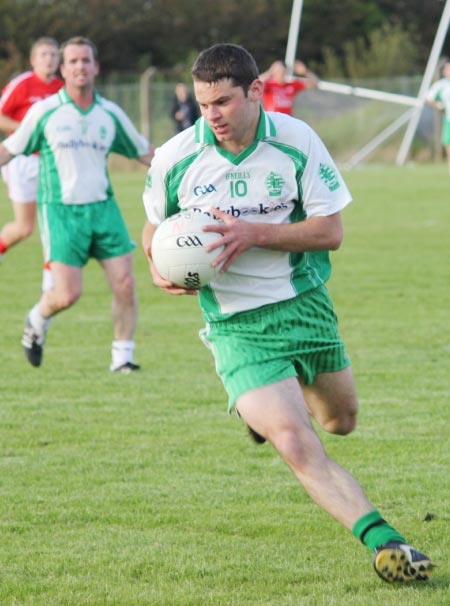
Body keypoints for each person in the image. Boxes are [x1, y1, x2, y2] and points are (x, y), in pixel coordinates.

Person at [142, 43, 434, 583]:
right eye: (205, 105)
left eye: (224, 102)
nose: (213, 117)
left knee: (339, 422)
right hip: (236, 324)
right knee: (297, 442)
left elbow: (331, 232)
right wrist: (160, 263)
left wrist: (255, 233)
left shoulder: (296, 141)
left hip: (303, 305)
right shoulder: (176, 157)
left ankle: (280, 402)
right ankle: (386, 543)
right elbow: (153, 225)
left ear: (255, 91)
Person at [0, 36, 153, 372]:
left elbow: (145, 153)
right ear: (63, 69)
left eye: (86, 61)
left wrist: (190, 171)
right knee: (67, 295)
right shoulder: (45, 112)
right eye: (73, 61)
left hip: (104, 208)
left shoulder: (108, 113)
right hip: (61, 212)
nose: (80, 67)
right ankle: (36, 318)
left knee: (125, 283)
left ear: (96, 67)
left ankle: (122, 358)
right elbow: (9, 149)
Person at [0, 37, 63, 290]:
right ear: (33, 60)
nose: (49, 59)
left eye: (53, 55)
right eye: (44, 54)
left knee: (55, 218)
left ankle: (51, 282)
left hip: (51, 162)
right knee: (24, 227)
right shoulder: (22, 84)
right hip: (21, 162)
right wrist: (28, 131)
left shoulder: (62, 87)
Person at [426, 60, 450, 171]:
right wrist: (438, 104)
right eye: (448, 69)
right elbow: (428, 98)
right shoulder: (441, 85)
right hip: (449, 118)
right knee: (448, 143)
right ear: (444, 72)